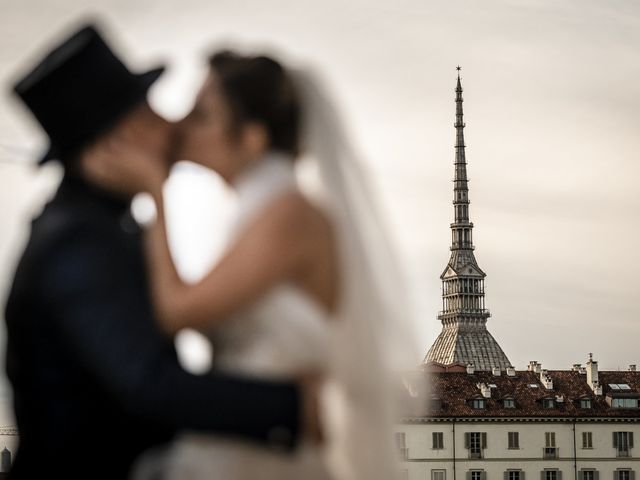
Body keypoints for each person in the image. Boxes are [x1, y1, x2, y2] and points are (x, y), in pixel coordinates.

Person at [84, 49, 421, 480]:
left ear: (251, 138)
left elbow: (177, 311)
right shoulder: (262, 211)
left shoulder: (288, 215)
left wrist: (156, 193)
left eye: (201, 114)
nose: (180, 123)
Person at [4, 25, 319, 480]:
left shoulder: (97, 227)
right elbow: (148, 385)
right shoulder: (78, 241)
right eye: (148, 115)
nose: (169, 125)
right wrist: (294, 406)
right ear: (113, 143)